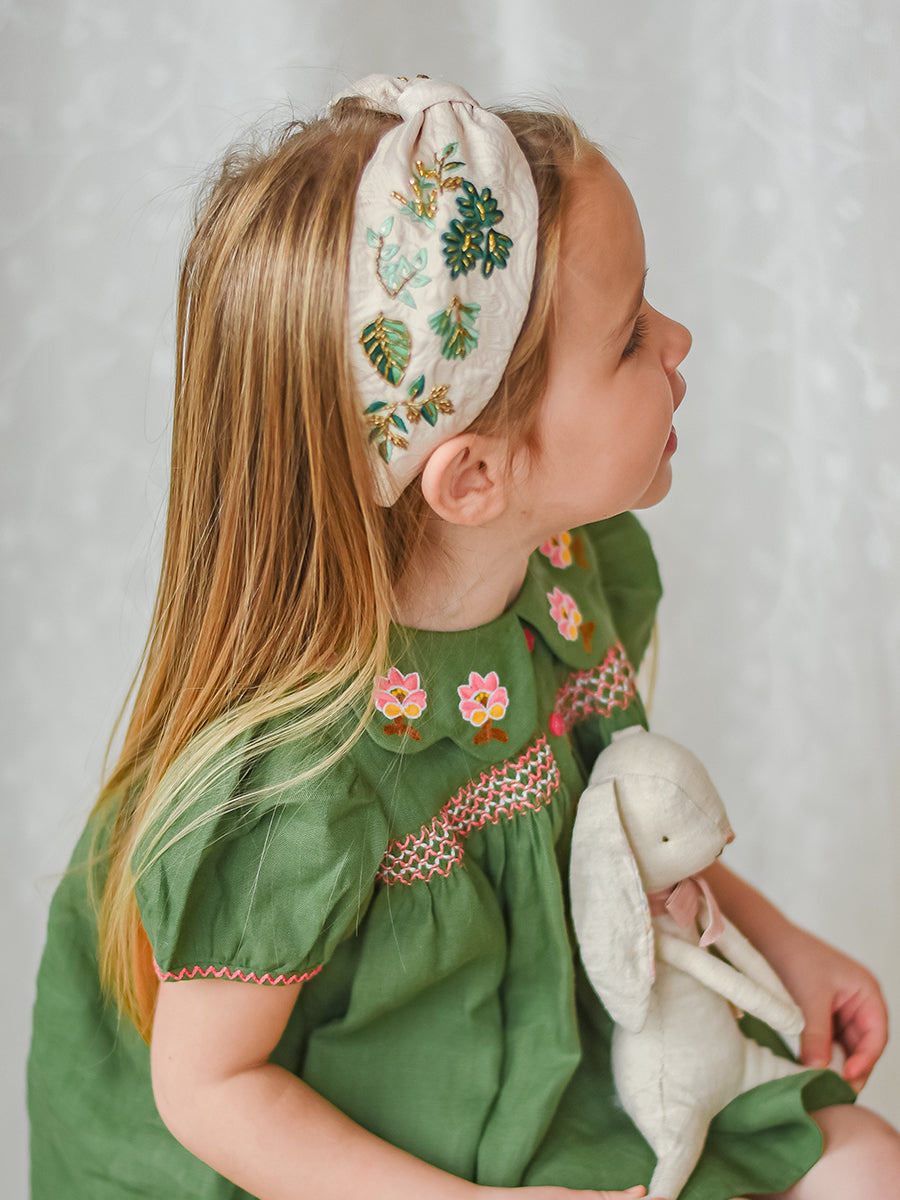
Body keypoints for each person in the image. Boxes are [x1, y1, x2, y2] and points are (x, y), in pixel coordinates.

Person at [27, 74, 900, 1200]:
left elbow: (601, 828)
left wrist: (777, 940)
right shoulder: (297, 787)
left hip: (555, 1053)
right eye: (630, 336)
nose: (680, 339)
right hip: (368, 1164)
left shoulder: (562, 576)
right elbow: (208, 1089)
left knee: (869, 1167)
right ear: (474, 476)